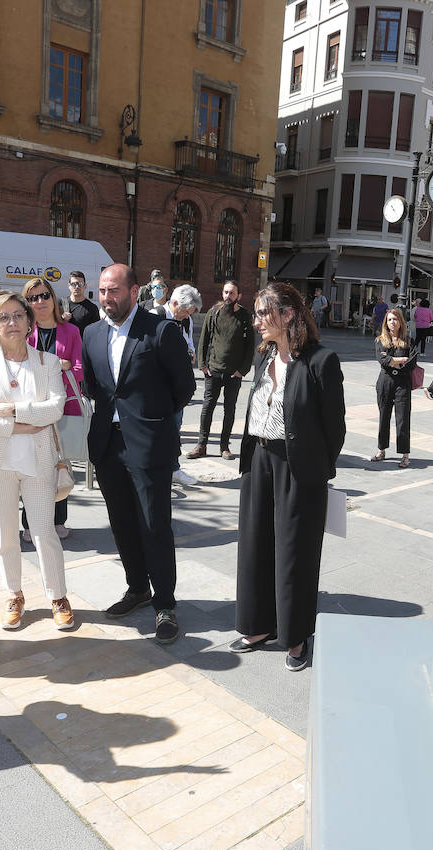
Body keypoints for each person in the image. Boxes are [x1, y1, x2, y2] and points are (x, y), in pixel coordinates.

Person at [232, 283, 345, 672]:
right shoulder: (265, 358)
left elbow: (336, 428)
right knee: (255, 543)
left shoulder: (320, 361)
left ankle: (295, 636)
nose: (258, 320)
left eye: (265, 313)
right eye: (258, 313)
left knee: (294, 553)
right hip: (259, 459)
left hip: (297, 467)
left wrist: (316, 469)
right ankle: (258, 625)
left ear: (288, 314)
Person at [82, 264, 195, 644]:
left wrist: (150, 420)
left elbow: (184, 387)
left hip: (149, 444)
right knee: (122, 523)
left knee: (154, 525)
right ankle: (137, 588)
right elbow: (94, 387)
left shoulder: (161, 330)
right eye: (101, 291)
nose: (105, 298)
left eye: (113, 290)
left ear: (134, 291)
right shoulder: (92, 334)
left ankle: (165, 603)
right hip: (108, 444)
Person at [0, 291, 75, 631]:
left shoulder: (47, 362)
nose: (11, 323)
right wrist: (20, 426)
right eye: (3, 317)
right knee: (6, 535)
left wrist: (10, 410)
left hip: (39, 461)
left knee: (44, 532)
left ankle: (57, 597)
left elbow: (55, 408)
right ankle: (14, 594)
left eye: (17, 316)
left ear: (29, 321)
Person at [22, 276, 83, 539]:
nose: (40, 301)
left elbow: (79, 370)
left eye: (44, 295)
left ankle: (59, 520)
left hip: (61, 409)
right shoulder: (23, 332)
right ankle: (30, 523)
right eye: (33, 297)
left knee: (58, 465)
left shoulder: (71, 331)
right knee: (29, 467)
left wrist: (63, 365)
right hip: (30, 408)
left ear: (53, 298)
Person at [186, 280, 253, 460]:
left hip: (234, 373)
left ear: (238, 295)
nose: (228, 296)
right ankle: (201, 445)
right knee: (207, 408)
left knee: (229, 410)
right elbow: (204, 339)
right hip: (213, 370)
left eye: (231, 293)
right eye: (225, 292)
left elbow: (250, 346)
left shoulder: (245, 316)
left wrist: (243, 370)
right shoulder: (213, 312)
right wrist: (202, 364)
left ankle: (224, 447)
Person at [148, 282, 201, 487]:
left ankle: (173, 469)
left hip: (176, 384)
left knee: (175, 427)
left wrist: (190, 352)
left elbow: (188, 343)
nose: (187, 316)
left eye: (190, 313)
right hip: (156, 384)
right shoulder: (156, 315)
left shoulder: (185, 321)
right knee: (155, 428)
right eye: (185, 312)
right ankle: (155, 469)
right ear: (175, 303)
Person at [372, 308, 416, 468]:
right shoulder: (380, 340)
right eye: (389, 320)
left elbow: (412, 362)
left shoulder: (408, 340)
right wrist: (400, 359)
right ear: (386, 322)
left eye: (395, 319)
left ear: (401, 322)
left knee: (403, 418)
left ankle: (405, 455)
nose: (392, 322)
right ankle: (381, 450)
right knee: (384, 416)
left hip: (403, 383)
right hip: (385, 382)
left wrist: (393, 360)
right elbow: (382, 360)